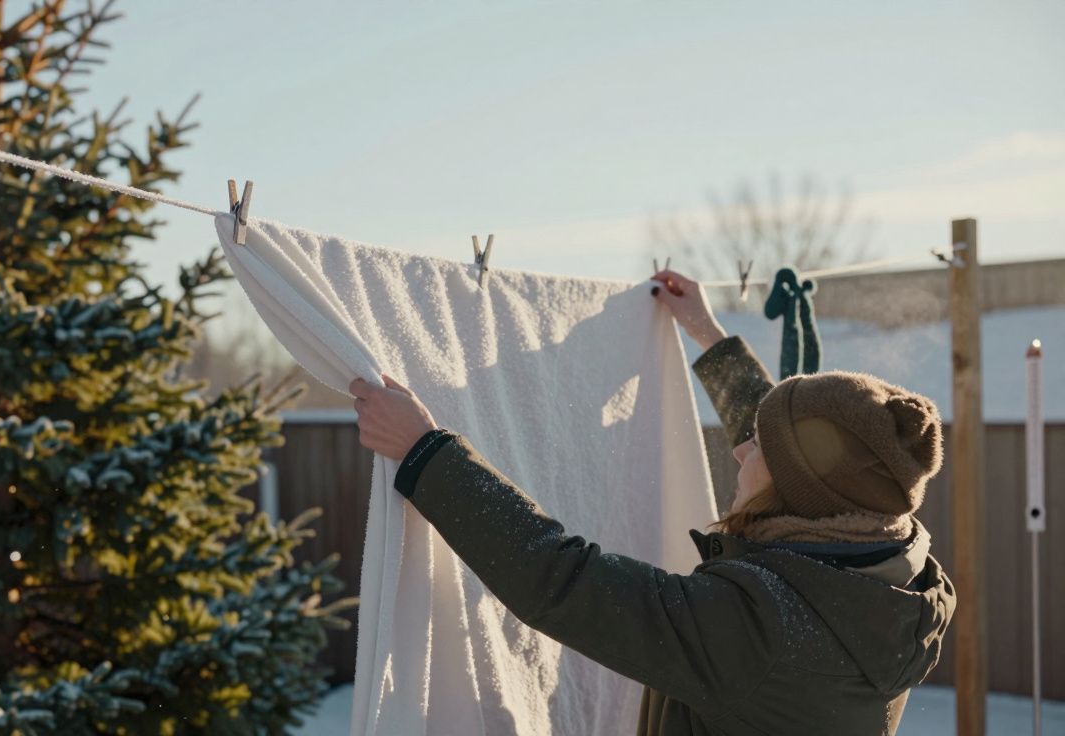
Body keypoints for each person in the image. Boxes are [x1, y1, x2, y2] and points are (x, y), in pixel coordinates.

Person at [348, 269, 956, 736]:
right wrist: (708, 336)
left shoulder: (755, 631)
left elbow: (561, 580)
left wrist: (425, 452)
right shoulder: (890, 573)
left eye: (759, 453)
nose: (740, 454)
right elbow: (803, 455)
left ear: (799, 492)